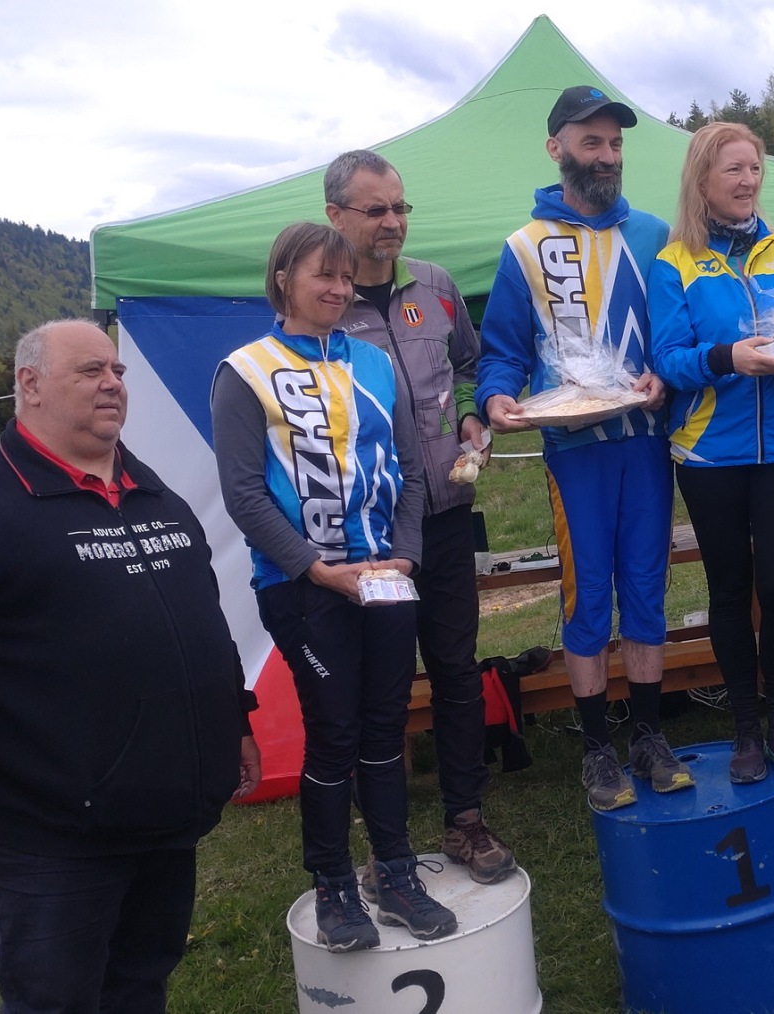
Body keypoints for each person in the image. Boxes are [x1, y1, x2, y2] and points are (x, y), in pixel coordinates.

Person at [0, 319, 260, 1012]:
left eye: (117, 371)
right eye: (89, 371)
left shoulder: (155, 496)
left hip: (165, 814)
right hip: (51, 833)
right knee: (57, 999)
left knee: (140, 983)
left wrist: (239, 721)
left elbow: (204, 623)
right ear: (31, 384)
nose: (112, 383)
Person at [213, 222, 457, 952]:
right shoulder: (244, 371)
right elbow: (243, 494)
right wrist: (315, 567)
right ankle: (333, 886)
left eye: (346, 277)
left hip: (383, 578)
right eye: (323, 274)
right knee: (335, 733)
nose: (339, 288)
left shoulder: (374, 363)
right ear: (282, 278)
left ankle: (396, 874)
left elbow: (411, 472)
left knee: (386, 728)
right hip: (302, 585)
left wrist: (405, 558)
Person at [476, 85, 692, 811]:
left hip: (646, 443)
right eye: (591, 141)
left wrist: (667, 377)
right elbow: (502, 350)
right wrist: (495, 397)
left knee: (647, 589)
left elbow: (677, 335)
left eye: (616, 143)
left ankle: (650, 735)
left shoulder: (656, 235)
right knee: (588, 594)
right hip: (574, 451)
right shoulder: (524, 248)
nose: (606, 156)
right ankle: (597, 747)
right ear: (556, 148)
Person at [322, 149, 515, 885]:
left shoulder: (434, 286)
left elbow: (470, 364)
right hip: (371, 535)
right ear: (335, 216)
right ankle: (387, 844)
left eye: (400, 207)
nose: (393, 222)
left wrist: (471, 414)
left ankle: (465, 819)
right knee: (383, 684)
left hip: (446, 513)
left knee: (457, 669)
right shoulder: (324, 306)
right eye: (375, 210)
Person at [648, 122, 774, 783]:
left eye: (754, 168)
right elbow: (667, 360)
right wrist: (729, 358)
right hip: (710, 453)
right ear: (702, 181)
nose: (748, 180)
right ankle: (745, 731)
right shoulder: (675, 263)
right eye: (734, 170)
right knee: (728, 590)